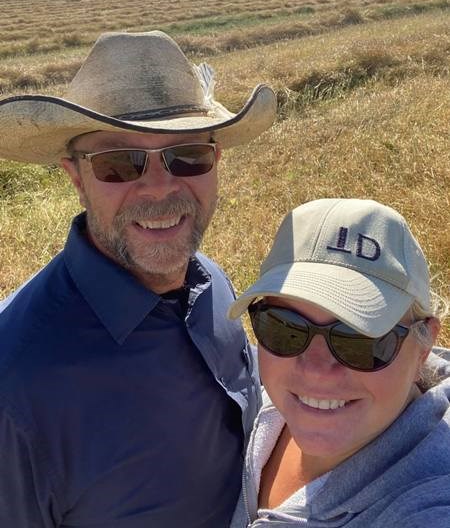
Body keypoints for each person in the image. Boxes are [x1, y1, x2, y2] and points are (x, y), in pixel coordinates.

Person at [0, 31, 277, 527]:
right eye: (118, 163)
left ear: (216, 161)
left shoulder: (210, 281)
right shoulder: (15, 384)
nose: (159, 188)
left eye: (187, 155)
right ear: (75, 177)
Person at [228, 198, 450, 527]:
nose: (315, 370)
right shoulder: (262, 402)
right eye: (285, 327)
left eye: (361, 340)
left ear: (423, 346)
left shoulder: (426, 506)